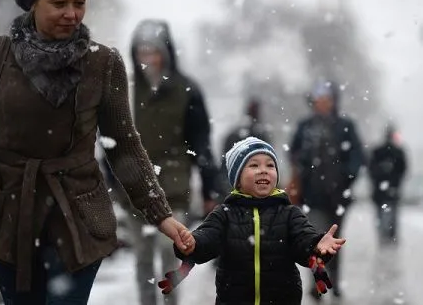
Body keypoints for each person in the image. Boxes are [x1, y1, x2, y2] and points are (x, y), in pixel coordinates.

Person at [0, 0, 193, 304]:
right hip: (10, 220)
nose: (72, 13)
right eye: (59, 3)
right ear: (33, 2)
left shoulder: (102, 62)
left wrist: (162, 216)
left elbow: (123, 145)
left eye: (79, 2)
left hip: (77, 220)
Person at [165, 137, 346, 305]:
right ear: (237, 180)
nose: (263, 170)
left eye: (270, 165)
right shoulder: (224, 214)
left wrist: (317, 245)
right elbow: (207, 239)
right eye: (253, 165)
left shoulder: (290, 214)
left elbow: (303, 240)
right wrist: (193, 244)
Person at [120, 18, 220, 305]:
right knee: (141, 258)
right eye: (142, 52)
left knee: (170, 253)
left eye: (153, 51)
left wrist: (210, 188)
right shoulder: (124, 91)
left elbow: (201, 144)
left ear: (166, 53)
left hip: (173, 187)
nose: (148, 59)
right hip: (134, 189)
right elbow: (109, 140)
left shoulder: (187, 90)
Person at [289, 79, 364, 298]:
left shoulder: (345, 126)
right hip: (311, 196)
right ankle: (318, 283)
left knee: (335, 241)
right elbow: (293, 153)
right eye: (318, 98)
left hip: (337, 198)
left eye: (326, 98)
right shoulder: (305, 127)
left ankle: (335, 280)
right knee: (315, 239)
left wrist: (345, 178)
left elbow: (357, 157)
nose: (322, 102)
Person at [368, 124, 407, 244]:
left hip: (385, 189)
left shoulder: (381, 151)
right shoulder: (397, 152)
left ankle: (386, 235)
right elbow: (402, 169)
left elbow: (371, 169)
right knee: (390, 215)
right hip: (388, 189)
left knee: (386, 214)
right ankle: (389, 235)